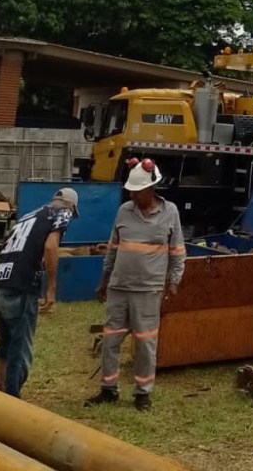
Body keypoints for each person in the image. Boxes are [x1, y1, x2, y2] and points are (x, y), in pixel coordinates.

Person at [85, 159, 185, 411]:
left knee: (145, 344)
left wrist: (174, 280)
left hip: (148, 290)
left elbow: (177, 251)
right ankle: (108, 389)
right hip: (119, 287)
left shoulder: (170, 212)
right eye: (131, 191)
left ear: (151, 189)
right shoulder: (124, 211)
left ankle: (142, 394)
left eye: (137, 191)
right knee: (111, 341)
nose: (132, 194)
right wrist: (104, 281)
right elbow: (113, 249)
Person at [0, 187, 79, 398]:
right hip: (20, 289)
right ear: (71, 206)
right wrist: (51, 287)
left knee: (5, 347)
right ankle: (11, 404)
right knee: (20, 352)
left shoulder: (29, 215)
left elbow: (4, 245)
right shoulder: (61, 211)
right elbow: (50, 247)